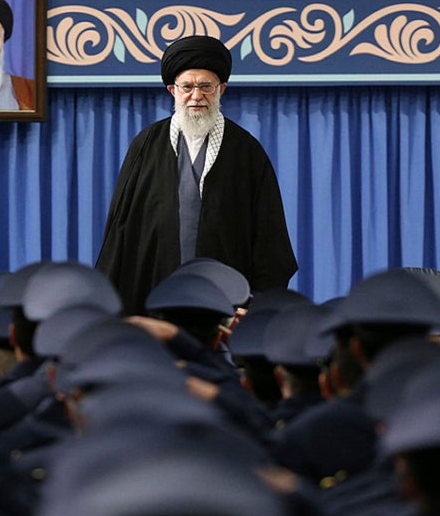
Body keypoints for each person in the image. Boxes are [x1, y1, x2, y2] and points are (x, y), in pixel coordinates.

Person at [95, 35, 298, 315]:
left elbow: (269, 237)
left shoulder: (246, 151)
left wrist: (256, 303)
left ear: (221, 89)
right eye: (187, 86)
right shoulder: (146, 145)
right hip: (154, 295)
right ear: (172, 90)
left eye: (206, 87)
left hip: (226, 302)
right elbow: (120, 230)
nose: (196, 96)